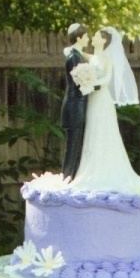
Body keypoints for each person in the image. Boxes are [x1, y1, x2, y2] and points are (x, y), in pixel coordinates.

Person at [70, 27, 140, 194]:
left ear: (104, 41)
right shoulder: (91, 57)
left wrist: (91, 84)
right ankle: (90, 169)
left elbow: (106, 79)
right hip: (92, 100)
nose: (93, 38)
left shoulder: (106, 58)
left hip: (102, 99)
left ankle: (106, 171)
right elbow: (74, 52)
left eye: (96, 36)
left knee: (103, 131)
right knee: (92, 131)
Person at [61, 23, 90, 179]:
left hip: (78, 104)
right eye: (85, 36)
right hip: (74, 105)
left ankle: (71, 177)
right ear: (79, 37)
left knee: (76, 145)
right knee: (72, 146)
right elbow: (80, 83)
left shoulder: (77, 55)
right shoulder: (74, 57)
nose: (88, 39)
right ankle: (67, 177)